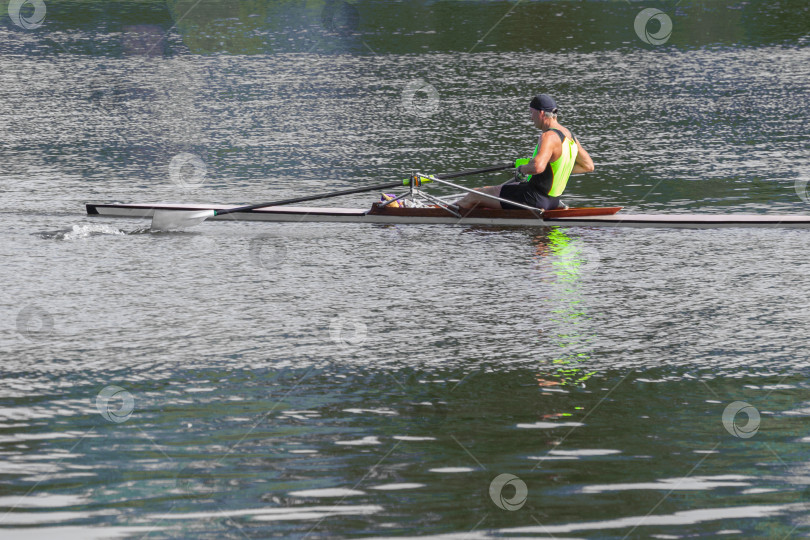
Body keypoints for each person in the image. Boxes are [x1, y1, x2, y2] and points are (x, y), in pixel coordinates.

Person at [454, 94, 594, 211]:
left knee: (475, 194)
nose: (531, 118)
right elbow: (588, 166)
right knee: (490, 190)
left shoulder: (548, 136)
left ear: (540, 113)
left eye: (531, 113)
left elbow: (537, 167)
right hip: (552, 202)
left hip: (533, 199)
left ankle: (445, 213)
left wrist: (522, 169)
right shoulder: (571, 137)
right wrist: (557, 171)